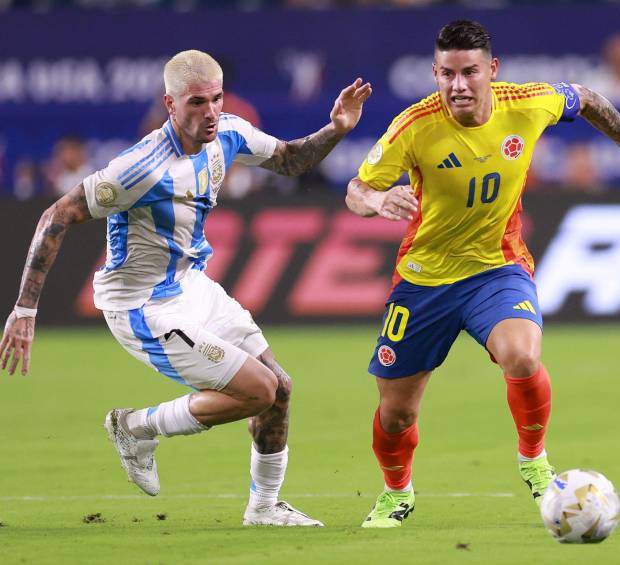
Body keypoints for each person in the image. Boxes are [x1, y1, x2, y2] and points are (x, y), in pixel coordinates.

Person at [0, 49, 371, 527]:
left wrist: (337, 128)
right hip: (140, 306)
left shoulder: (230, 133)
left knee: (279, 388)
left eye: (216, 98)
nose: (211, 111)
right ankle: (135, 426)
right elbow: (57, 215)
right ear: (170, 104)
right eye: (197, 102)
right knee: (258, 390)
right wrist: (25, 311)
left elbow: (290, 159)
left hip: (190, 286)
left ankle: (263, 508)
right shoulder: (139, 168)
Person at [345, 20, 620, 528]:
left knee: (523, 357)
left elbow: (589, 98)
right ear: (435, 73)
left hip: (497, 268)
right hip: (424, 280)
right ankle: (396, 493)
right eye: (446, 74)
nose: (458, 85)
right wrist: (376, 199)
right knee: (397, 413)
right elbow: (356, 188)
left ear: (492, 70)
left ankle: (533, 460)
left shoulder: (526, 103)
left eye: (469, 72)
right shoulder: (414, 125)